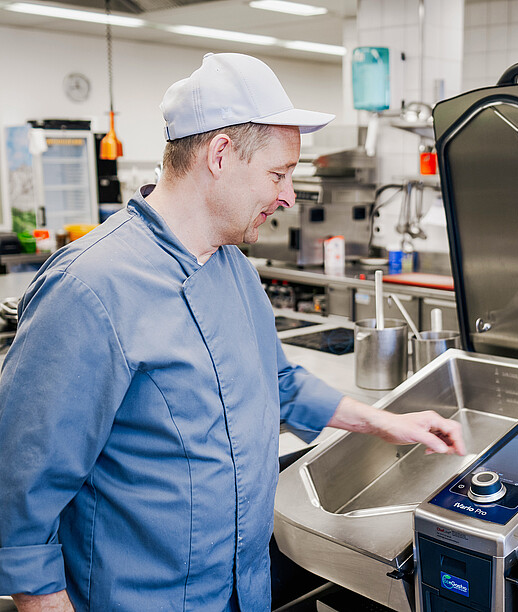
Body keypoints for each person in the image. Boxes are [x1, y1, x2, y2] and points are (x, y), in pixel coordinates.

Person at [0, 53, 465, 612]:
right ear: (220, 154)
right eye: (279, 173)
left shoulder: (234, 270)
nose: (289, 195)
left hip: (241, 592)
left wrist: (384, 421)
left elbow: (278, 382)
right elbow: (20, 490)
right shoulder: (89, 288)